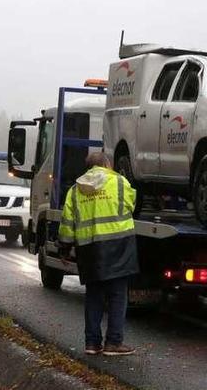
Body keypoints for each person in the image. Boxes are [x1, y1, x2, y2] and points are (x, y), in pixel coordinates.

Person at [59, 152, 138, 356]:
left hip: (89, 249)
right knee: (118, 295)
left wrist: (65, 249)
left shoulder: (75, 190)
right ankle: (113, 342)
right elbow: (130, 205)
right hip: (117, 246)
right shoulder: (120, 182)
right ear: (107, 164)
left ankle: (92, 343)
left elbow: (67, 223)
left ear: (88, 168)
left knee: (94, 296)